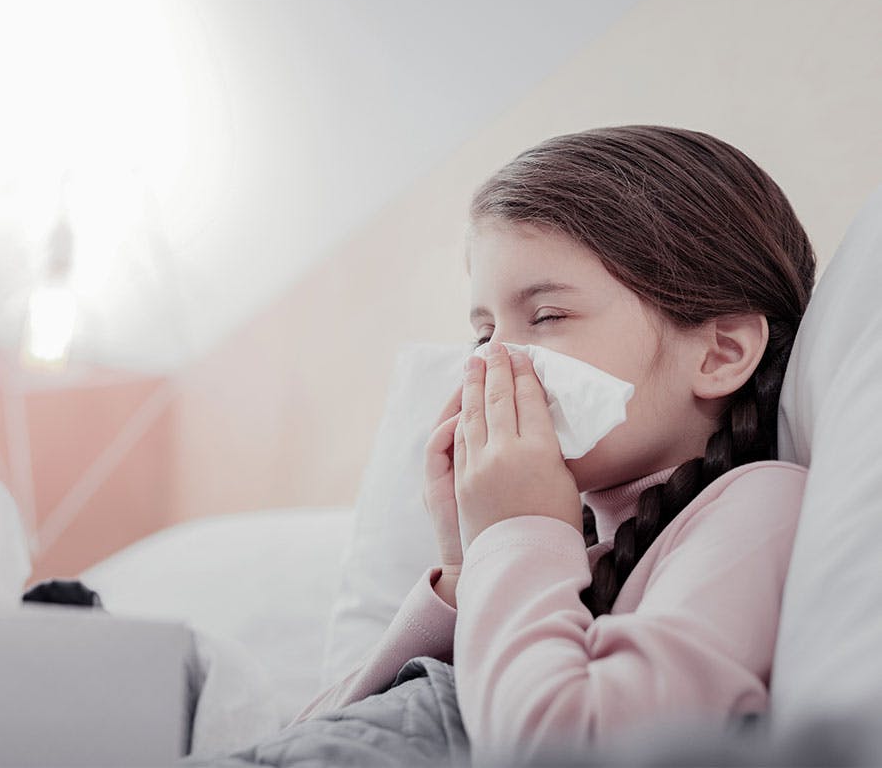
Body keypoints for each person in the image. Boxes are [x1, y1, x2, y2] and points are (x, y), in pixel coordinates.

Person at [288, 126, 816, 764]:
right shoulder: (578, 557)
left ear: (719, 352)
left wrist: (518, 531)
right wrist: (464, 568)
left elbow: (569, 747)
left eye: (546, 317)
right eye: (483, 335)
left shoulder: (760, 506)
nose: (495, 361)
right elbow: (315, 740)